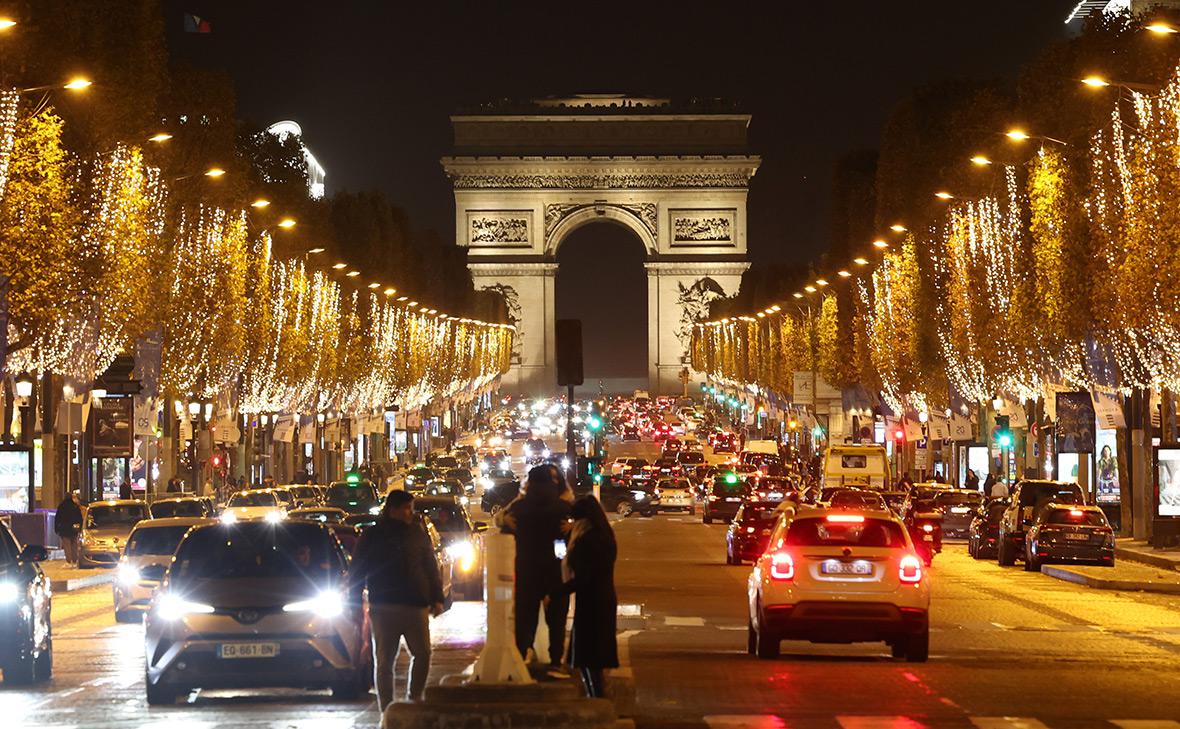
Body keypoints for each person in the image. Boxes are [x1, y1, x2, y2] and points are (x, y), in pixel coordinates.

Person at [350, 490, 445, 709]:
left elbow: (430, 567)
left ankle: (415, 698)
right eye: (406, 508)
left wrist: (436, 597)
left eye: (411, 508)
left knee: (423, 654)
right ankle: (387, 708)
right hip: (384, 606)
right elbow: (357, 571)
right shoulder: (373, 535)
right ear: (392, 510)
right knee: (384, 661)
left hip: (415, 605)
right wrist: (354, 602)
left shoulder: (417, 533)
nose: (410, 513)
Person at [502, 464, 572, 668]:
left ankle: (522, 655)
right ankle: (555, 659)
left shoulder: (518, 509)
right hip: (555, 570)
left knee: (525, 617)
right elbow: (566, 538)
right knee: (556, 619)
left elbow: (506, 531)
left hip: (526, 569)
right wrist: (560, 554)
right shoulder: (563, 509)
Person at [563, 496, 618, 698]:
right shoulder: (604, 535)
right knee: (594, 656)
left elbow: (583, 576)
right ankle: (596, 694)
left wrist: (556, 592)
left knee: (588, 656)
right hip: (603, 599)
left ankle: (596, 697)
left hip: (590, 602)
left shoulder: (587, 540)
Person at [54, 492, 83, 566]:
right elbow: (80, 518)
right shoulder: (75, 506)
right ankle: (75, 559)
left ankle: (69, 560)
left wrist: (56, 528)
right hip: (73, 529)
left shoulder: (61, 506)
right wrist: (80, 527)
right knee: (74, 544)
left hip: (64, 529)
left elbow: (57, 518)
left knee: (67, 545)